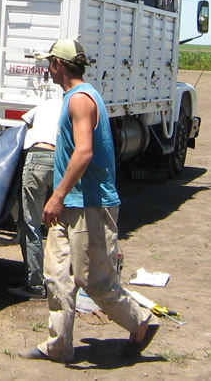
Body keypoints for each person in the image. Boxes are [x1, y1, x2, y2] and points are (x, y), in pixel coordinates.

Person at [19, 38, 158, 363]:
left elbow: (84, 151)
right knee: (57, 276)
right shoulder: (75, 97)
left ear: (59, 65)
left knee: (93, 280)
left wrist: (57, 195)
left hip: (90, 204)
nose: (47, 69)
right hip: (72, 205)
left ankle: (140, 322)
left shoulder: (80, 100)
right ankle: (58, 346)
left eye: (49, 63)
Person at [6, 94, 62, 300]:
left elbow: (23, 126)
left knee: (31, 223)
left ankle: (35, 284)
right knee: (63, 225)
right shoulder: (74, 106)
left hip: (38, 157)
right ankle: (63, 281)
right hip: (62, 161)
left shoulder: (45, 104)